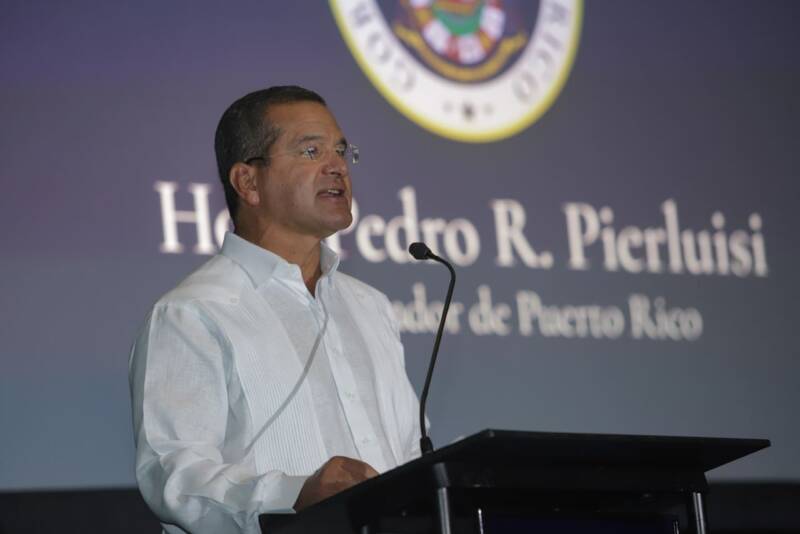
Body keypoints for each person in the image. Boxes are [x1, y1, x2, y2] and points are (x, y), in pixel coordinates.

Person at [129, 86, 422, 534]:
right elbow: (176, 476)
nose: (336, 165)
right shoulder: (192, 313)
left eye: (341, 150)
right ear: (248, 182)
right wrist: (293, 494)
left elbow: (407, 456)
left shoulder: (370, 307)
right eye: (311, 150)